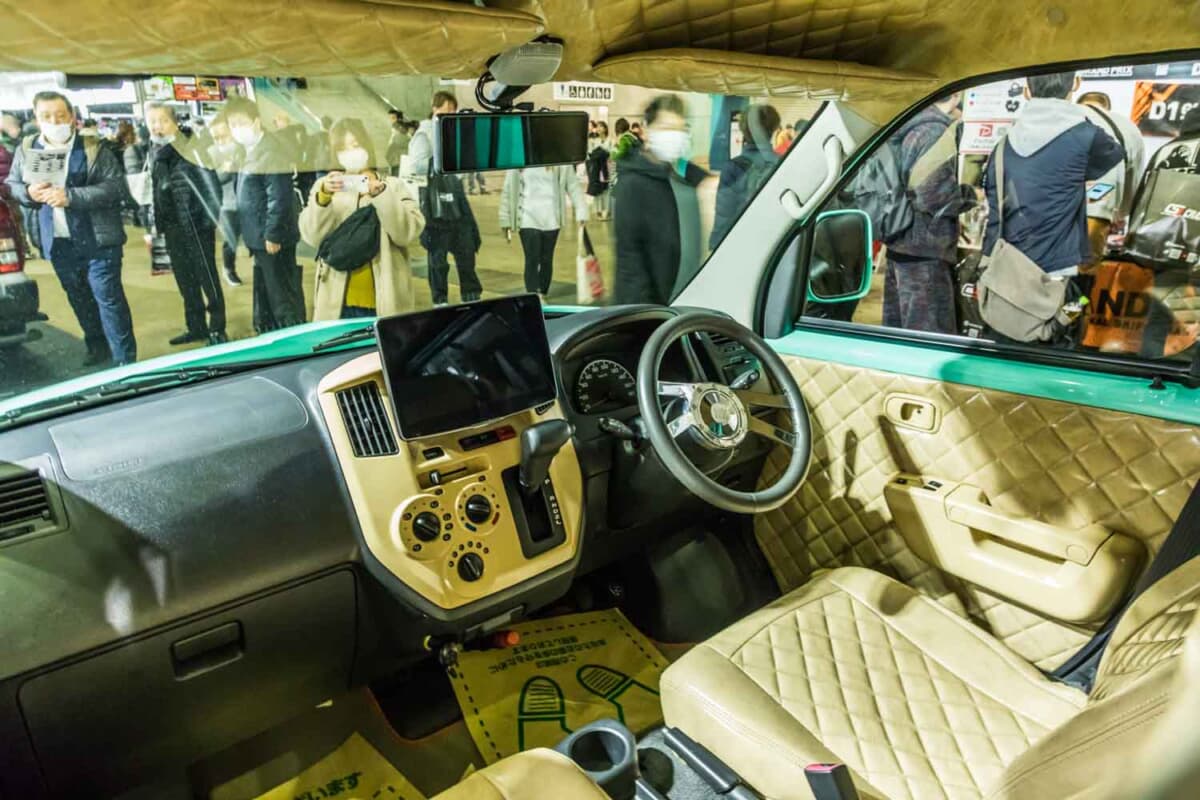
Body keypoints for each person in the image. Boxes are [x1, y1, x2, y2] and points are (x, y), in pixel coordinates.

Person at [5, 90, 136, 366]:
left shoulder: (93, 147)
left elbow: (115, 188)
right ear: (36, 118)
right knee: (79, 298)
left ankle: (124, 361)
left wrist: (71, 197)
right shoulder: (27, 148)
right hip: (58, 242)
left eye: (60, 115)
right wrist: (29, 192)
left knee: (109, 300)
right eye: (46, 116)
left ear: (72, 116)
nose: (54, 121)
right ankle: (97, 347)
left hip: (98, 239)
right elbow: (13, 185)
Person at [983, 71, 1125, 276]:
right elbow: (1114, 154)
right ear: (1076, 83)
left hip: (1004, 262)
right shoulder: (1088, 135)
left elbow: (993, 201)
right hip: (1055, 266)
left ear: (1026, 91)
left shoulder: (1002, 144)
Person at [300, 118, 425, 320]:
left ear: (366, 145)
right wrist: (323, 198)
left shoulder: (393, 185)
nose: (350, 152)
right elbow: (312, 237)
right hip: (337, 303)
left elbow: (407, 234)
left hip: (385, 302)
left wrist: (381, 194)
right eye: (342, 148)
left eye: (355, 145)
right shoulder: (326, 187)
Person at [877, 92, 967, 334]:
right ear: (956, 95)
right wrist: (970, 196)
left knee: (899, 331)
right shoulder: (933, 131)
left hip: (899, 239)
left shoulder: (908, 125)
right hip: (925, 248)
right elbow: (932, 194)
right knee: (929, 335)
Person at [613, 94, 707, 305]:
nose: (674, 136)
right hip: (647, 311)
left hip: (679, 303)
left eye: (680, 129)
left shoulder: (675, 178)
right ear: (646, 131)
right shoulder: (632, 185)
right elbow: (631, 266)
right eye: (666, 127)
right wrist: (648, 317)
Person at [145, 102, 226, 346]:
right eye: (152, 122)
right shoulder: (155, 153)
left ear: (175, 122)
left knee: (207, 277)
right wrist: (155, 225)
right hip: (172, 228)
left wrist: (207, 222)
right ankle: (196, 326)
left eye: (163, 121)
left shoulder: (194, 148)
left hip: (197, 225)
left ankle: (217, 328)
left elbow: (212, 188)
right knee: (185, 279)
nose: (157, 126)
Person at [224, 96, 306, 331]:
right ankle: (275, 331)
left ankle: (292, 336)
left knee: (282, 293)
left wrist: (273, 233)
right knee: (270, 289)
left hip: (272, 237)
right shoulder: (248, 151)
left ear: (256, 122)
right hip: (258, 235)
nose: (237, 129)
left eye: (241, 123)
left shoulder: (271, 151)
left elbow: (279, 196)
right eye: (232, 125)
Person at [409, 91, 483, 305]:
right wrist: (443, 159)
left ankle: (471, 296)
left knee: (466, 250)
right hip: (434, 201)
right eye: (447, 109)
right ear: (435, 108)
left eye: (453, 109)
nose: (451, 113)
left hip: (456, 197)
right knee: (438, 258)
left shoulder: (453, 131)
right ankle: (440, 299)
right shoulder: (424, 133)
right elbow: (418, 166)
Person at [1076, 91, 1145, 265]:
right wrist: (1119, 214)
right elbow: (1132, 188)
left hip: (1052, 207)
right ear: (1107, 108)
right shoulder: (1128, 127)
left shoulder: (1063, 117)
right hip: (1098, 201)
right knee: (1085, 268)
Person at [500, 165, 589, 299]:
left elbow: (573, 186)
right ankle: (534, 295)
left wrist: (581, 211)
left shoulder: (560, 162)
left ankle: (542, 291)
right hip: (527, 218)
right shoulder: (519, 160)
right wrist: (505, 219)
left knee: (546, 259)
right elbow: (508, 190)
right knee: (532, 259)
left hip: (551, 219)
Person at [710, 103, 780, 248]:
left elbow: (724, 213)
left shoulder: (733, 167)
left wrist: (715, 243)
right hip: (774, 242)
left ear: (743, 129)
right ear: (774, 129)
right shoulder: (782, 163)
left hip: (742, 241)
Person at [206, 115, 245, 287]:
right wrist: (225, 170)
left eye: (224, 135)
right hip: (227, 204)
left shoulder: (241, 148)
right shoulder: (212, 152)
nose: (221, 140)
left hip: (246, 200)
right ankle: (229, 269)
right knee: (231, 239)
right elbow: (211, 181)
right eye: (216, 137)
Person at [585, 121, 611, 220]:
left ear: (605, 128)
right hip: (597, 168)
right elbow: (590, 153)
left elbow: (611, 152)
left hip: (606, 167)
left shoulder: (610, 140)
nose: (599, 128)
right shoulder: (594, 140)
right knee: (598, 188)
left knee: (606, 189)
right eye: (598, 127)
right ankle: (598, 211)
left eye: (601, 126)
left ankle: (606, 210)